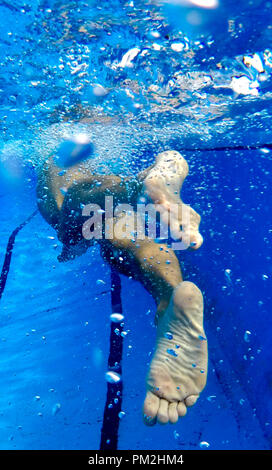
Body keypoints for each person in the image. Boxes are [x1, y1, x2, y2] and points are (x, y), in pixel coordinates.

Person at [36, 148, 207, 426]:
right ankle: (169, 297)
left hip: (72, 155)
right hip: (104, 172)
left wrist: (71, 243)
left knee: (64, 214)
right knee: (134, 243)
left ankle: (140, 186)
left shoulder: (63, 126)